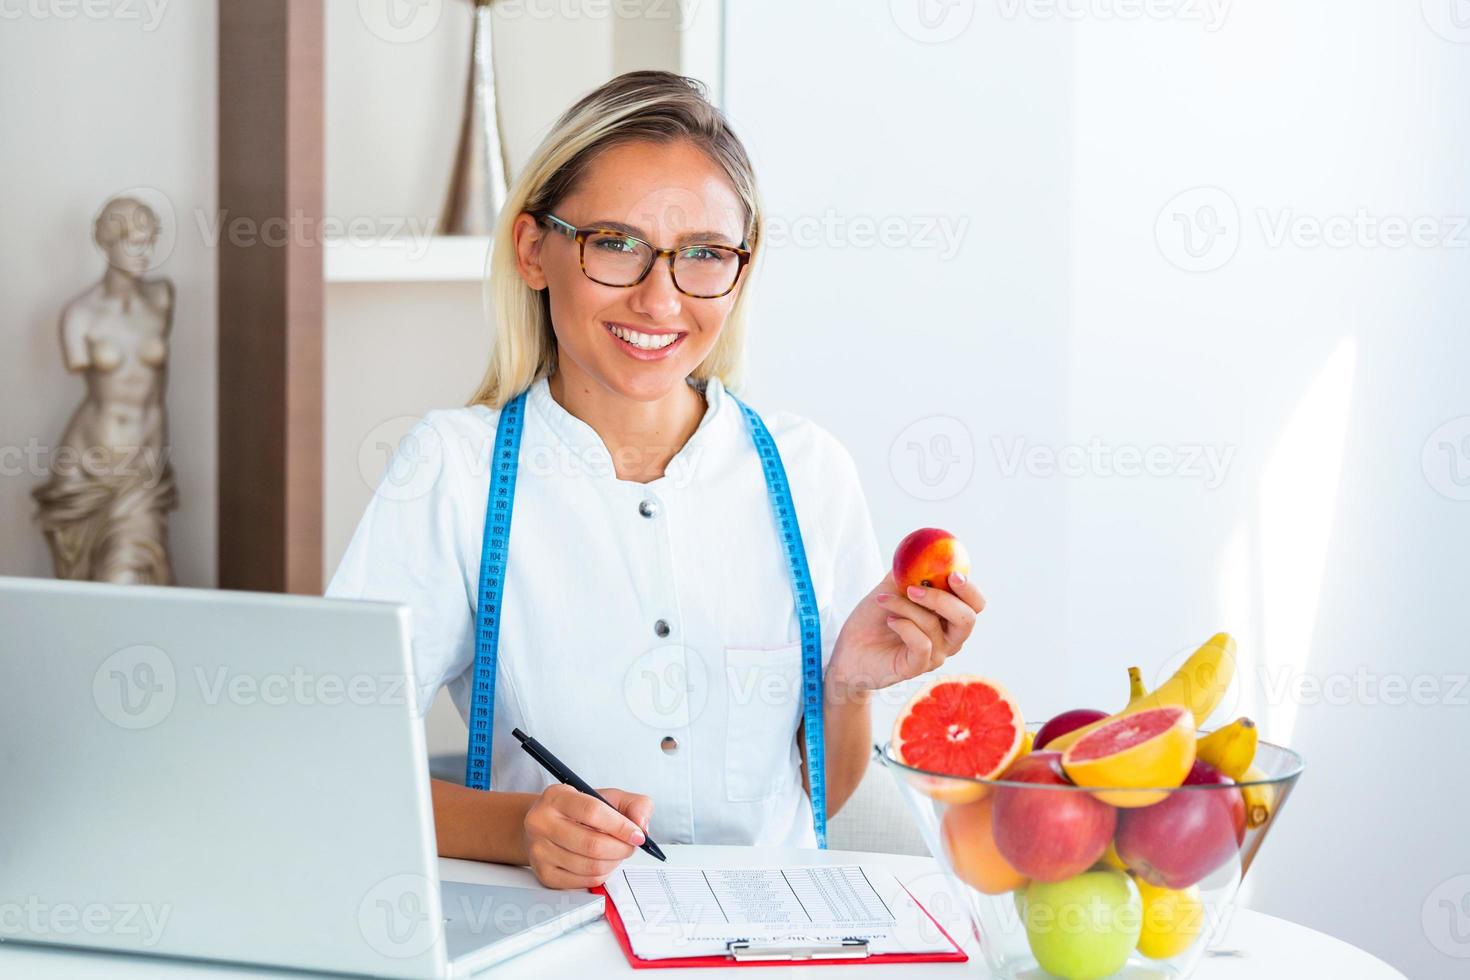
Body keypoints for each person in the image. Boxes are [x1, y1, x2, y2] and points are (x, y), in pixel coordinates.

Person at [327, 71, 986, 889]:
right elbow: (334, 758)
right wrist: (519, 830)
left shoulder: (809, 472)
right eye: (616, 244)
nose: (659, 299)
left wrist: (845, 690)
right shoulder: (454, 469)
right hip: (548, 937)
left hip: (768, 939)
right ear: (535, 251)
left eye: (703, 256)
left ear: (738, 272)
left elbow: (823, 794)